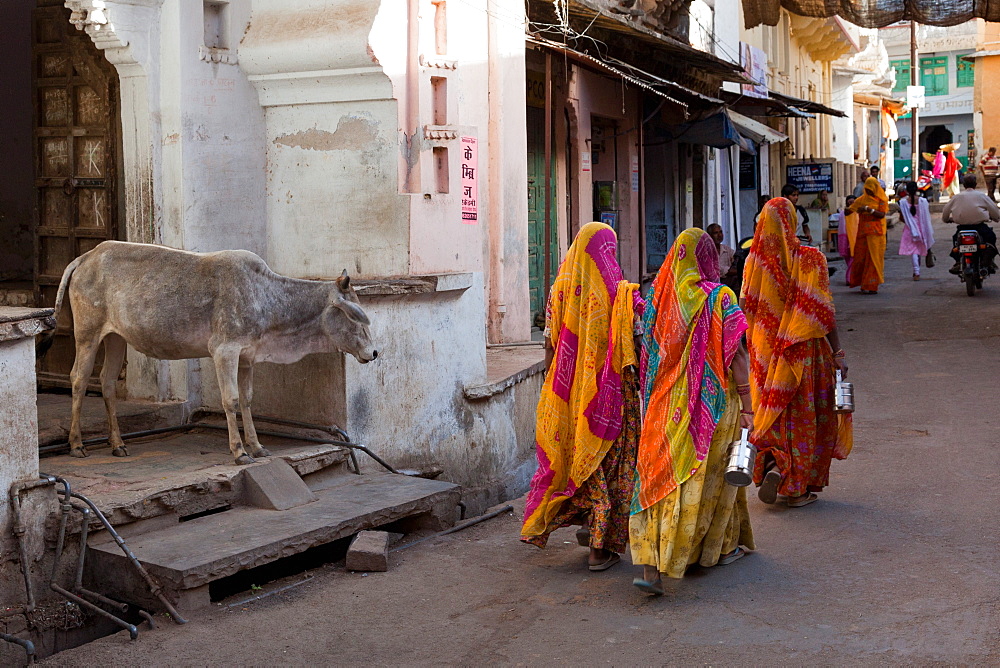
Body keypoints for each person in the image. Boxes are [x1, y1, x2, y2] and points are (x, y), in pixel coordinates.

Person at [629, 228, 754, 595]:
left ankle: (650, 561)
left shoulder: (656, 298)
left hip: (662, 404)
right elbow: (739, 356)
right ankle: (706, 550)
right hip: (710, 403)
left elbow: (646, 352)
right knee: (707, 478)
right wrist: (748, 407)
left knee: (658, 480)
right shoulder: (720, 299)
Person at [521, 222, 643, 572]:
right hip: (609, 395)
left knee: (578, 459)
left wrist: (551, 384)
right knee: (610, 463)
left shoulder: (560, 287)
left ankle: (591, 526)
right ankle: (599, 548)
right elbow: (636, 340)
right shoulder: (618, 290)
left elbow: (549, 341)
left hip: (568, 395)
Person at [741, 198, 853, 508]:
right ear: (792, 222)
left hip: (764, 354)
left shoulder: (753, 263)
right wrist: (838, 352)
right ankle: (796, 487)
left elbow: (745, 308)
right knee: (804, 418)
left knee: (773, 416)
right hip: (804, 352)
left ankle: (776, 466)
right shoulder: (810, 259)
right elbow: (823, 312)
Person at [942, 173, 1000, 274]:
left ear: (964, 185)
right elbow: (994, 210)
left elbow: (945, 211)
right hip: (980, 228)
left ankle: (958, 262)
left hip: (962, 229)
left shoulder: (956, 197)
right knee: (991, 240)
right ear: (976, 184)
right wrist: (995, 218)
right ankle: (987, 262)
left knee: (956, 242)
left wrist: (947, 219)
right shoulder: (982, 196)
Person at [845, 177, 889, 294]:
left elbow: (882, 214)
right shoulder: (861, 199)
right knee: (862, 259)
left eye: (871, 189)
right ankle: (863, 284)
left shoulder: (881, 200)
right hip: (862, 235)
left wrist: (868, 210)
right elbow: (848, 211)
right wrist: (849, 207)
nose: (869, 191)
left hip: (876, 234)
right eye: (867, 189)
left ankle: (872, 285)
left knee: (873, 260)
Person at [897, 182, 935, 281]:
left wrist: (909, 223)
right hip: (922, 228)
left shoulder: (903, 202)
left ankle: (916, 272)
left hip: (910, 229)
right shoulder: (923, 201)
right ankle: (917, 270)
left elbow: (901, 217)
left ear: (906, 191)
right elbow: (926, 217)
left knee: (914, 251)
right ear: (917, 189)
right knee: (918, 249)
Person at [831, 195, 858, 285]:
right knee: (848, 259)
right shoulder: (843, 213)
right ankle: (851, 276)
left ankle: (849, 278)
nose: (851, 204)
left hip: (855, 239)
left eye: (852, 202)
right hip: (845, 239)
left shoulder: (858, 213)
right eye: (849, 202)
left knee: (853, 259)